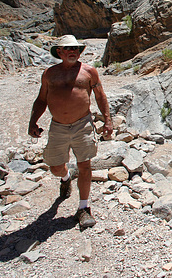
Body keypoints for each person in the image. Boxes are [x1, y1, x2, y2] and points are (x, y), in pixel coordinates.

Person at [28, 35, 113, 229]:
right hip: (58, 126)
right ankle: (66, 178)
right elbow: (41, 99)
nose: (72, 51)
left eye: (75, 48)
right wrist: (32, 122)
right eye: (67, 48)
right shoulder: (49, 74)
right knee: (55, 167)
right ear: (59, 52)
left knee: (85, 165)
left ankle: (84, 208)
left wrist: (108, 120)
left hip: (82, 125)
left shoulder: (89, 72)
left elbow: (100, 96)